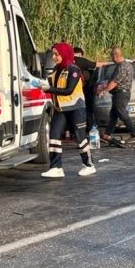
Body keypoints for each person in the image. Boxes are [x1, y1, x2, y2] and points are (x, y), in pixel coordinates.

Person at [34, 42, 95, 177]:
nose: (54, 57)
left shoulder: (73, 70)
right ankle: (56, 167)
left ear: (64, 54)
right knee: (54, 135)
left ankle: (89, 164)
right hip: (60, 108)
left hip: (75, 108)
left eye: (57, 54)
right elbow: (50, 83)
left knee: (80, 137)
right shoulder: (56, 69)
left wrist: (48, 89)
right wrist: (39, 84)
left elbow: (68, 90)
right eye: (53, 54)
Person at [98, 47, 135, 145]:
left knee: (122, 113)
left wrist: (104, 91)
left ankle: (134, 134)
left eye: (111, 56)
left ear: (115, 56)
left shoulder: (122, 66)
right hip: (120, 93)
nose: (111, 59)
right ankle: (106, 135)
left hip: (121, 93)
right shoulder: (127, 65)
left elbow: (115, 81)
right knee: (113, 115)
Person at [73, 46, 102, 130]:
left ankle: (71, 131)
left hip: (68, 92)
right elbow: (96, 65)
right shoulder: (81, 61)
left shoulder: (66, 62)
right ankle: (90, 127)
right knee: (88, 109)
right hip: (83, 91)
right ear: (79, 54)